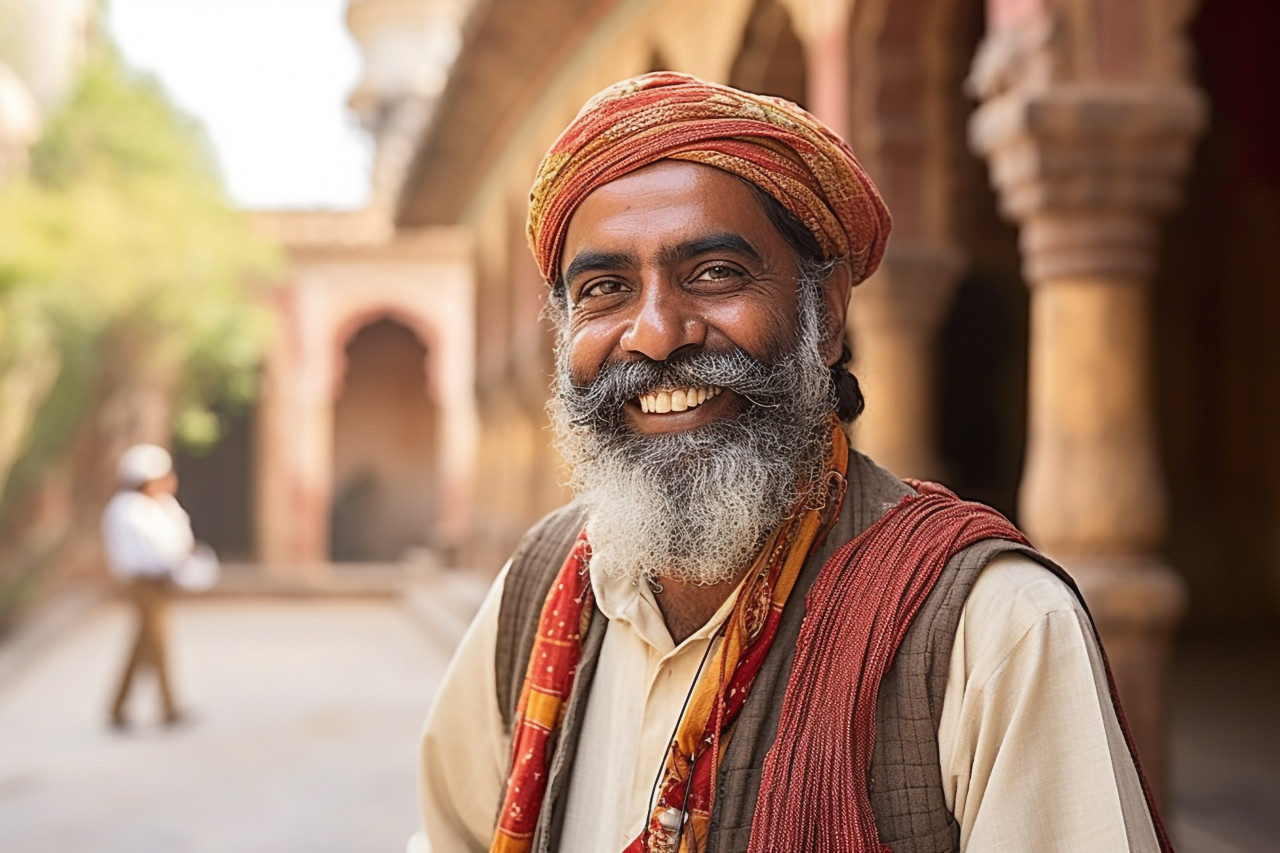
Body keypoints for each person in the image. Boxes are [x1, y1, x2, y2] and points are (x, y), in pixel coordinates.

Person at [411, 73, 1170, 852]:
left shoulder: (995, 628)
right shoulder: (539, 592)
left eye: (715, 273)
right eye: (606, 289)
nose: (657, 334)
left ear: (827, 312)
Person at [102, 443, 205, 728]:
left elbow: (180, 537)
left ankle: (118, 707)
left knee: (143, 645)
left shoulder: (160, 506)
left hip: (161, 581)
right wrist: (178, 557)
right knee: (157, 644)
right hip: (142, 582)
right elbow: (156, 550)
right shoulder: (128, 510)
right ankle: (168, 706)